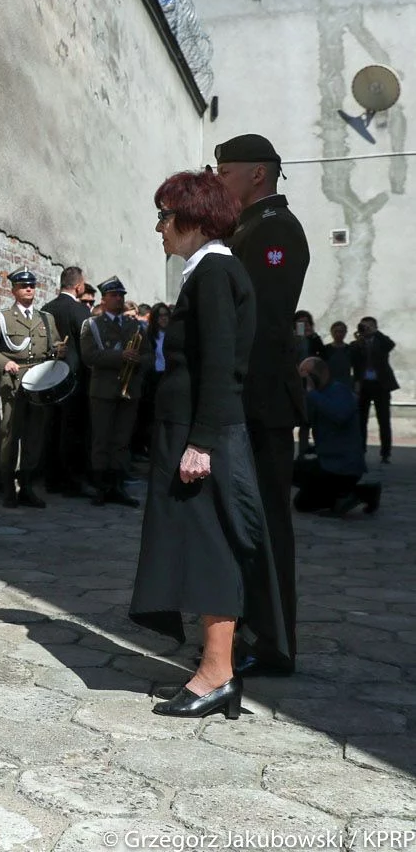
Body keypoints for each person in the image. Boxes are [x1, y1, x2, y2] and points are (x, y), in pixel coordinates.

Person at [130, 168, 287, 720]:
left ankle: (217, 673)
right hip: (194, 432)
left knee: (211, 546)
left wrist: (200, 444)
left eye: (165, 216)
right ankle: (215, 665)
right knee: (202, 546)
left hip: (201, 436)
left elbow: (221, 366)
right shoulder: (208, 271)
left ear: (194, 218)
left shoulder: (215, 272)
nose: (160, 229)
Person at [218, 132, 307, 676]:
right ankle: (252, 627)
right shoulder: (251, 226)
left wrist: (230, 389)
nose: (219, 179)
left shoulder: (274, 229)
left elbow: (264, 322)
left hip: (262, 401)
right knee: (248, 520)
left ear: (258, 173)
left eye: (226, 171)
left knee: (268, 522)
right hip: (251, 398)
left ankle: (273, 642)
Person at [0, 269, 65, 508]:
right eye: (23, 286)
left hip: (39, 382)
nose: (29, 290)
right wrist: (4, 362)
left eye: (32, 286)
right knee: (10, 434)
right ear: (14, 290)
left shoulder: (46, 318)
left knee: (34, 435)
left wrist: (59, 350)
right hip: (14, 382)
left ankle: (26, 485)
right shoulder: (3, 317)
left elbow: (55, 344)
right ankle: (8, 487)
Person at [80, 277, 145, 506]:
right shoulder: (93, 325)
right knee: (101, 439)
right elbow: (89, 355)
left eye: (121, 295)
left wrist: (139, 359)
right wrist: (120, 356)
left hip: (129, 390)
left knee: (122, 440)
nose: (119, 299)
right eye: (114, 295)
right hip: (103, 389)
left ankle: (118, 486)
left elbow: (146, 354)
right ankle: (101, 487)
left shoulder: (134, 325)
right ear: (104, 299)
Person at [293, 358, 379, 516]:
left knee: (303, 504)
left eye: (308, 376)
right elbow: (304, 420)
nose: (306, 381)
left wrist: (312, 394)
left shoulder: (340, 391)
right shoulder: (316, 395)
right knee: (291, 471)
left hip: (343, 467)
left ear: (322, 373)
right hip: (327, 461)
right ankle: (341, 494)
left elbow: (340, 415)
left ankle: (361, 493)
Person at [42, 267, 92, 497]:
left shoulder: (47, 308)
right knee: (71, 431)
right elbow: (86, 345)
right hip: (74, 378)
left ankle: (50, 478)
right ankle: (70, 480)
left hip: (50, 376)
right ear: (79, 286)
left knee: (51, 427)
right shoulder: (79, 310)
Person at [351, 317, 399, 465]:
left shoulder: (382, 342)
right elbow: (353, 362)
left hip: (381, 385)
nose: (366, 329)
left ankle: (386, 453)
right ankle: (360, 450)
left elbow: (390, 344)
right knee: (361, 420)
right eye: (364, 326)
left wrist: (376, 333)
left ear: (375, 327)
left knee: (383, 419)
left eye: (369, 326)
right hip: (364, 385)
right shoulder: (356, 344)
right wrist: (359, 342)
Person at [131, 303, 171, 458]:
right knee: (149, 415)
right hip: (152, 378)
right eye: (160, 315)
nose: (163, 319)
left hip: (167, 376)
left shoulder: (172, 335)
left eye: (166, 315)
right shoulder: (148, 336)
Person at [292, 311, 325, 457]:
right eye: (300, 322)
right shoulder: (293, 339)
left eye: (306, 322)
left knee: (315, 419)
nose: (303, 326)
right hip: (297, 381)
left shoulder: (314, 339)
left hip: (312, 382)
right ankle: (302, 452)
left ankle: (320, 452)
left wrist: (313, 336)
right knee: (303, 420)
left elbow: (323, 356)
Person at [320, 321, 355, 388]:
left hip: (346, 383)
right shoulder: (325, 349)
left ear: (345, 332)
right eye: (336, 331)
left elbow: (355, 367)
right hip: (329, 384)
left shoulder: (350, 349)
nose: (338, 334)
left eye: (341, 331)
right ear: (331, 332)